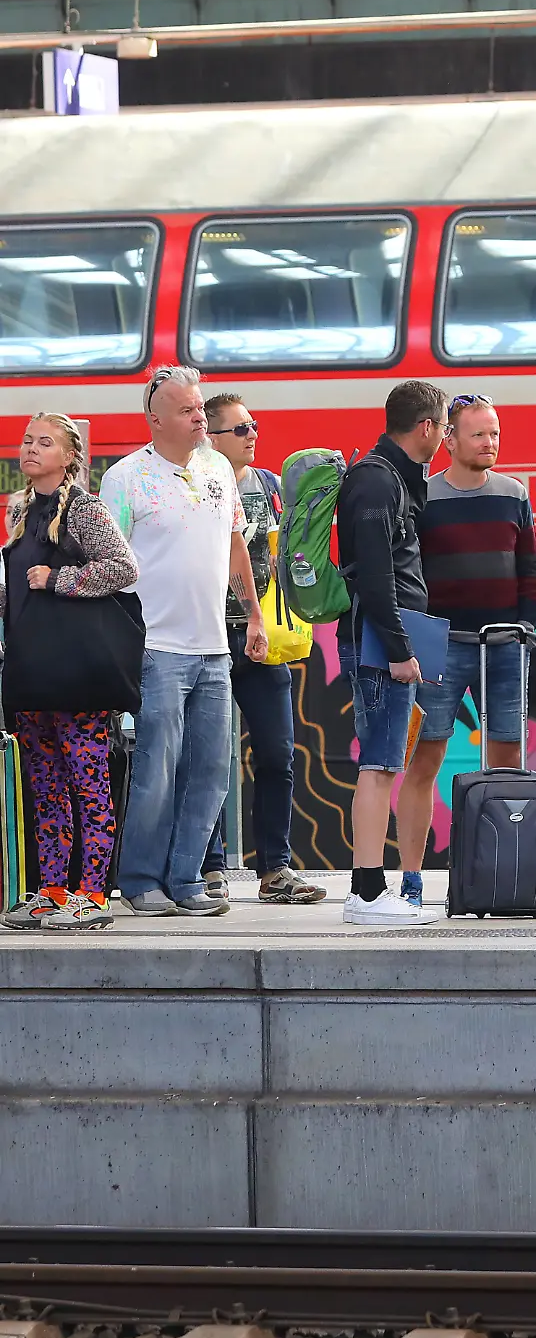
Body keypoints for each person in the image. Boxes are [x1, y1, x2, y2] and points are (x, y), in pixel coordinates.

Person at [100, 365, 268, 917]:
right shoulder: (125, 478)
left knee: (212, 770)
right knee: (156, 769)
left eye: (200, 408)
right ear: (155, 418)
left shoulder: (219, 466)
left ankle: (186, 876)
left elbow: (236, 547)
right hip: (156, 649)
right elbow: (107, 565)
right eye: (187, 409)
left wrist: (255, 619)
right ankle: (142, 879)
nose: (200, 416)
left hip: (214, 648)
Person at [399, 392, 536, 905]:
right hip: (440, 644)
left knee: (507, 754)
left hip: (506, 643)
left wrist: (527, 624)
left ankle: (502, 869)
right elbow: (410, 573)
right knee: (426, 755)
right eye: (479, 434)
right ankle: (412, 878)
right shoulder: (424, 496)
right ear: (451, 438)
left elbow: (530, 567)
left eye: (496, 433)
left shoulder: (513, 493)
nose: (490, 443)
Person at [0, 414, 138, 932]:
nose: (31, 449)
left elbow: (124, 567)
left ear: (69, 455)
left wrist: (59, 578)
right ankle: (54, 890)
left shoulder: (85, 509)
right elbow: (16, 587)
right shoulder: (20, 509)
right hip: (33, 671)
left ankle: (94, 894)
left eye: (45, 442)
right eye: (28, 440)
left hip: (76, 673)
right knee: (46, 785)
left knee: (88, 781)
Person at [199, 394, 324, 905]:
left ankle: (275, 870)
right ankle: (208, 868)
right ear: (211, 437)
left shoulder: (270, 486)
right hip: (204, 637)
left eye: (255, 425)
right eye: (241, 428)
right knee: (205, 759)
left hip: (261, 639)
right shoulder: (198, 487)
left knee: (276, 754)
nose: (253, 435)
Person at [336, 379, 448, 927]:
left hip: (386, 638)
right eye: (444, 426)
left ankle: (368, 890)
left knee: (383, 762)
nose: (446, 437)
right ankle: (366, 892)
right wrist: (402, 650)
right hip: (381, 642)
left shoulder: (391, 479)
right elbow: (378, 577)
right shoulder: (378, 484)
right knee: (380, 765)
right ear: (425, 426)